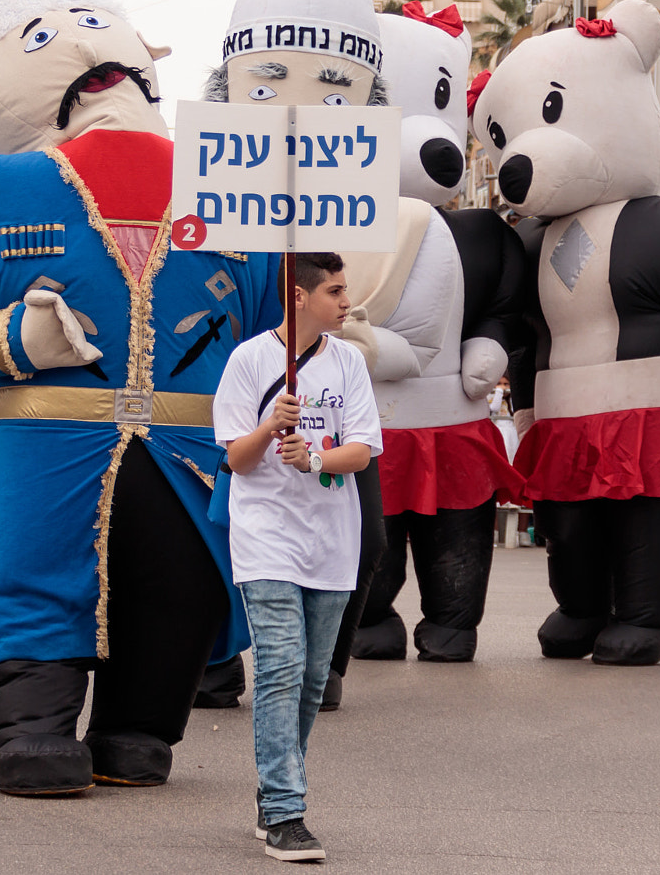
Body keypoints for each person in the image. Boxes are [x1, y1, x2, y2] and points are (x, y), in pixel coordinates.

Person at [213, 252, 381, 863]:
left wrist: (314, 457)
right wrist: (269, 426)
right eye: (335, 291)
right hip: (266, 538)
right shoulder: (249, 360)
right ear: (300, 296)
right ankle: (285, 810)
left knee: (312, 679)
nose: (346, 301)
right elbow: (234, 458)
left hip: (332, 541)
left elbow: (362, 451)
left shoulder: (349, 363)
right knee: (281, 669)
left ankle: (273, 793)